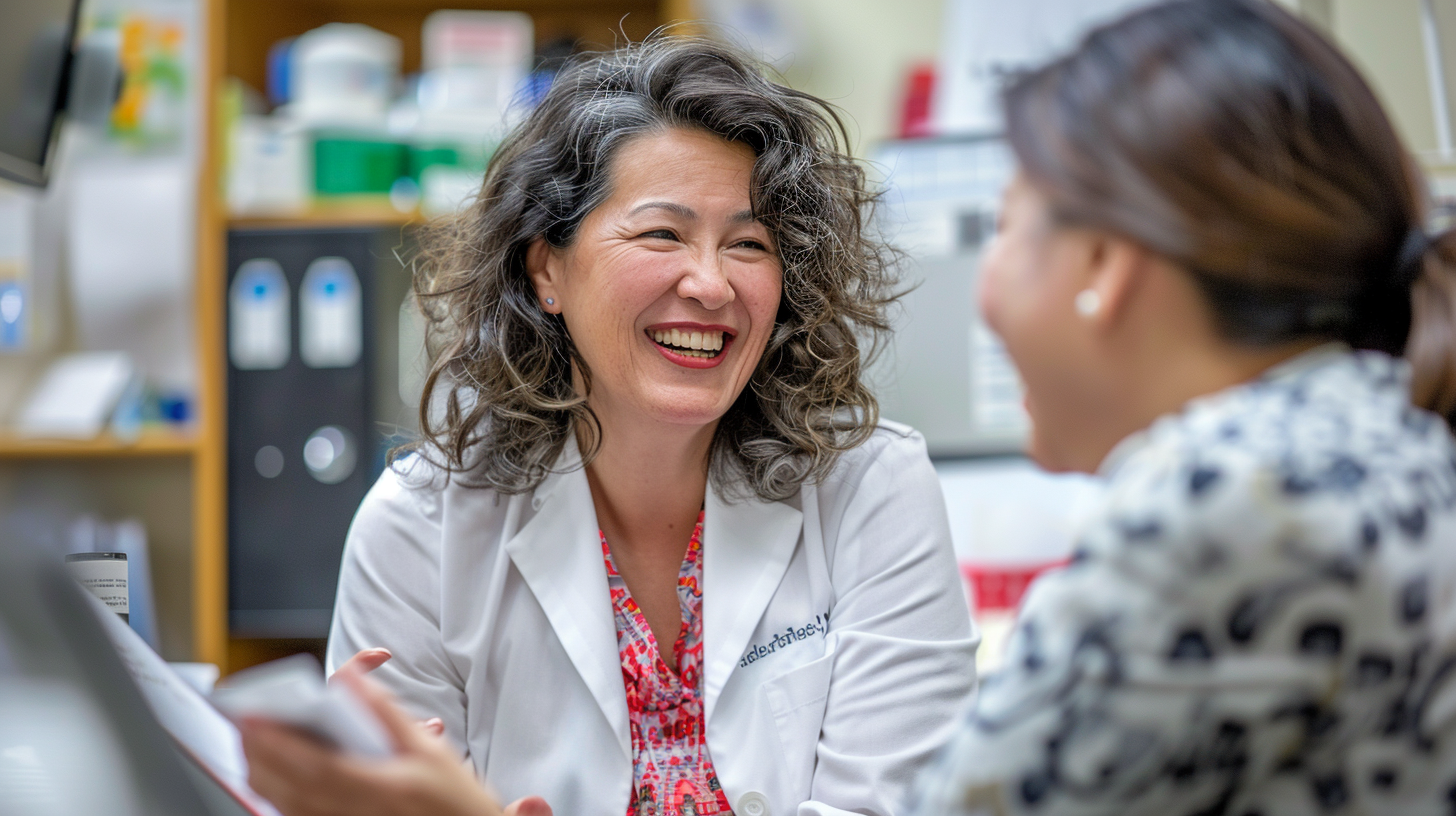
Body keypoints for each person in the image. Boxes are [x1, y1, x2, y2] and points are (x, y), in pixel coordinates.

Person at [240, 34, 978, 816]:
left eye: (748, 243)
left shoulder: (872, 492)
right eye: (662, 233)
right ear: (546, 268)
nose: (710, 282)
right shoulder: (419, 533)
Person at [911, 1, 1456, 814]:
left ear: (1103, 261)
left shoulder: (1225, 500)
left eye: (1007, 224)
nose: (982, 284)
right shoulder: (1392, 429)